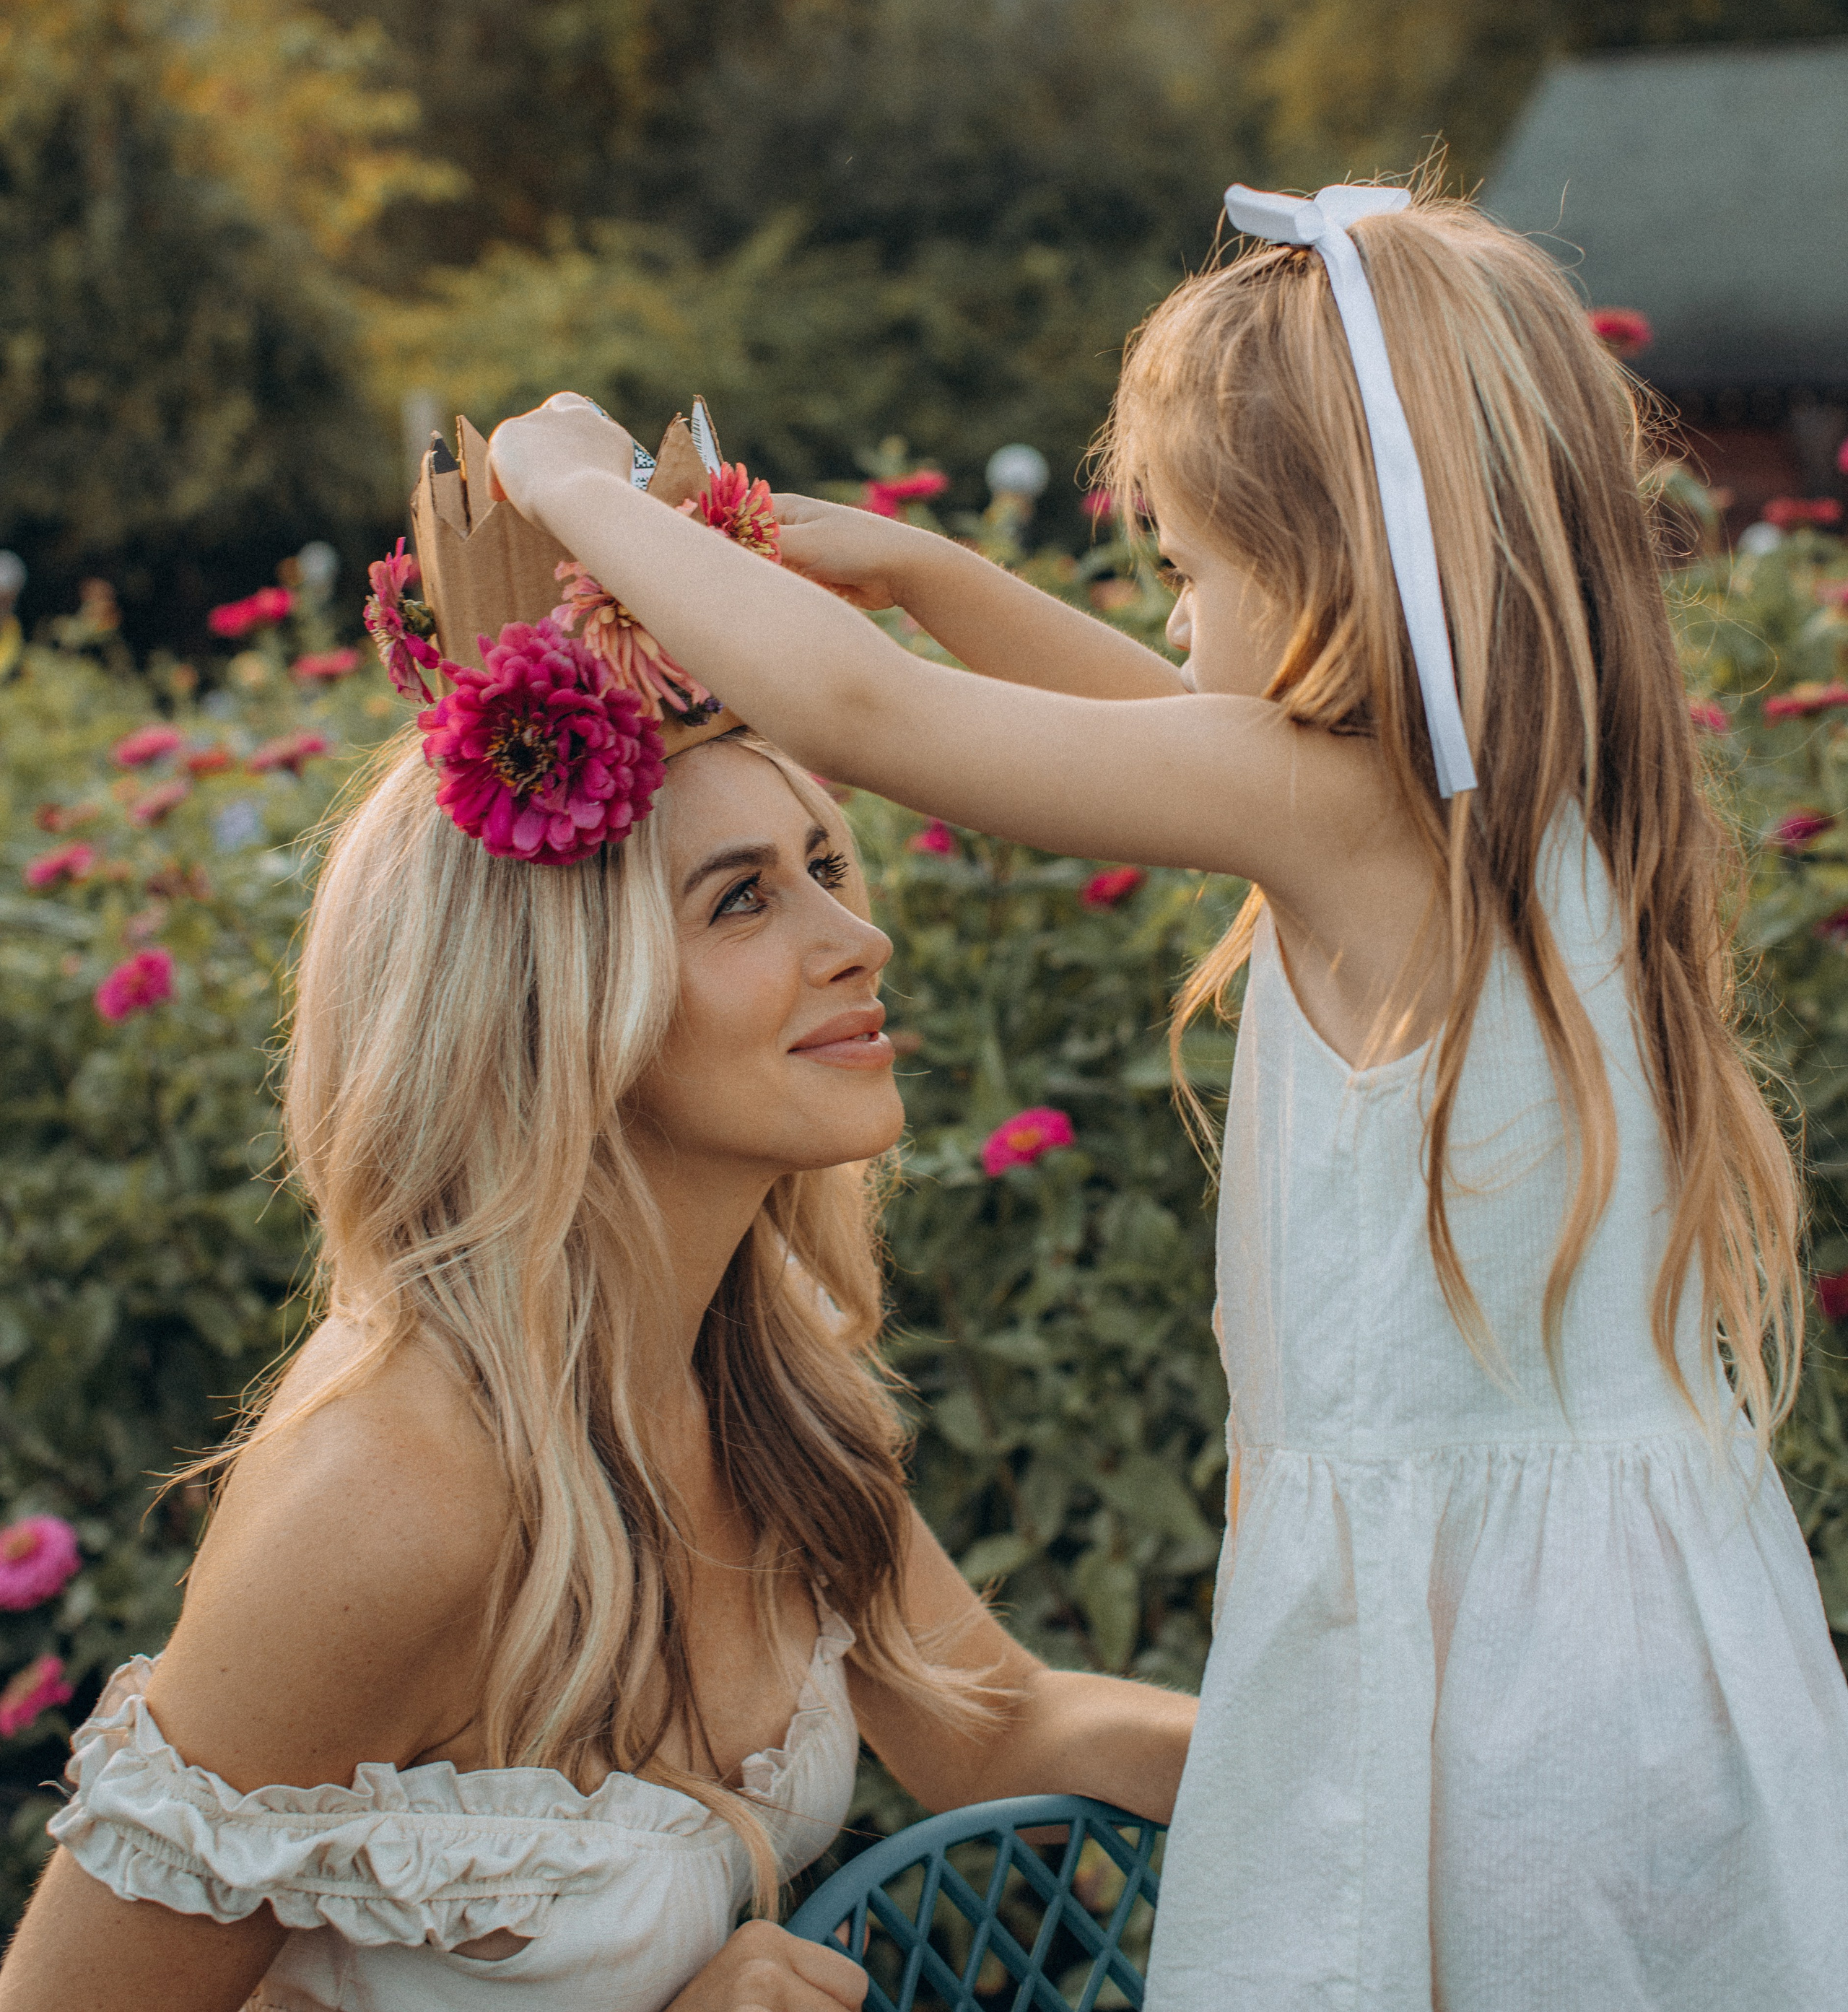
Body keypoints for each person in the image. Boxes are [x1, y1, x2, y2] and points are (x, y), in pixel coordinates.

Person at [478, 181, 1848, 2008]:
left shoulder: (1347, 818)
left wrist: (565, 480)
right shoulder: (1510, 817)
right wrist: (929, 569)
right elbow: (1156, 726)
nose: (1175, 619)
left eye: (1190, 572)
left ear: (1329, 571)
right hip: (1625, 1679)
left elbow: (873, 721)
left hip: (1507, 1719)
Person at [0, 716, 1195, 2012]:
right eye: (742, 899)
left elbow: (1005, 1729)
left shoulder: (764, 1365)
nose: (863, 940)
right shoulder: (387, 1493)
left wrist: (1398, 1755)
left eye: (824, 870)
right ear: (550, 1000)